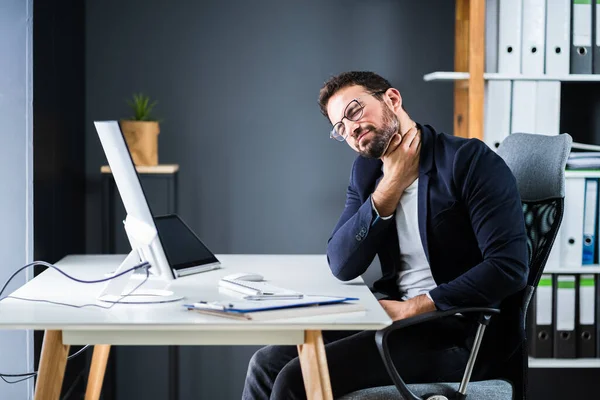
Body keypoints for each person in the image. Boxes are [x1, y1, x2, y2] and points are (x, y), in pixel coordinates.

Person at [241, 71, 529, 399]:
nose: (351, 129)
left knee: (296, 379)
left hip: (459, 333)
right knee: (265, 364)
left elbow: (509, 267)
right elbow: (342, 262)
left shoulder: (468, 161)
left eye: (354, 111)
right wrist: (389, 187)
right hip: (395, 321)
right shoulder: (367, 172)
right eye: (340, 128)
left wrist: (416, 307)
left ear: (391, 99)